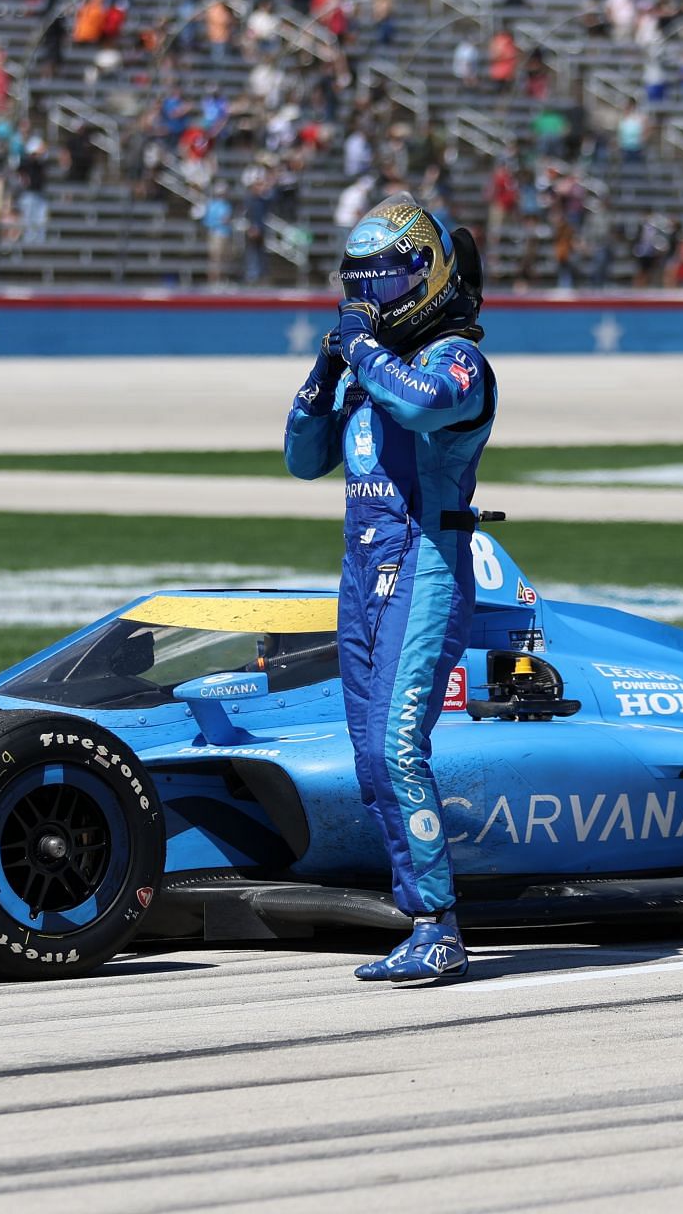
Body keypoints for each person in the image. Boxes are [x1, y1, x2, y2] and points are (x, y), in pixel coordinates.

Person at [282, 196, 496, 983]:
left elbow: (422, 403)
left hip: (426, 565)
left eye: (388, 280)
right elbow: (302, 458)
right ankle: (416, 916)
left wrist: (364, 350)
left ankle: (439, 925)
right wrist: (327, 366)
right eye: (360, 283)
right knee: (371, 756)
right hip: (359, 576)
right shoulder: (369, 368)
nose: (371, 298)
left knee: (400, 747)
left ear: (430, 275)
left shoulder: (457, 360)